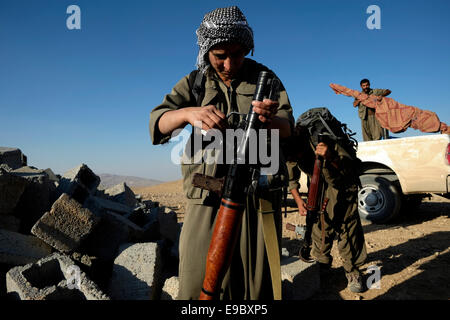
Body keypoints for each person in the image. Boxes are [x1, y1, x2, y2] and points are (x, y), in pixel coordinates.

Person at [149, 6, 294, 300]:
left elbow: (289, 128)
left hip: (255, 200)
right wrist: (188, 113)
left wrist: (271, 120)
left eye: (238, 54)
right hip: (206, 197)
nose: (230, 64)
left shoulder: (265, 79)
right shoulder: (195, 82)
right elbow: (158, 123)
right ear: (206, 52)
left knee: (255, 289)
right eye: (220, 56)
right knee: (197, 284)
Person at [285, 119, 367, 293]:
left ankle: (352, 270)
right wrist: (299, 200)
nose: (295, 159)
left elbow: (349, 168)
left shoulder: (324, 142)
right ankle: (322, 264)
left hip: (343, 184)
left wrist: (330, 157)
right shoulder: (289, 146)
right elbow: (291, 176)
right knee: (320, 225)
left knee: (346, 227)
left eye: (297, 156)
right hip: (318, 185)